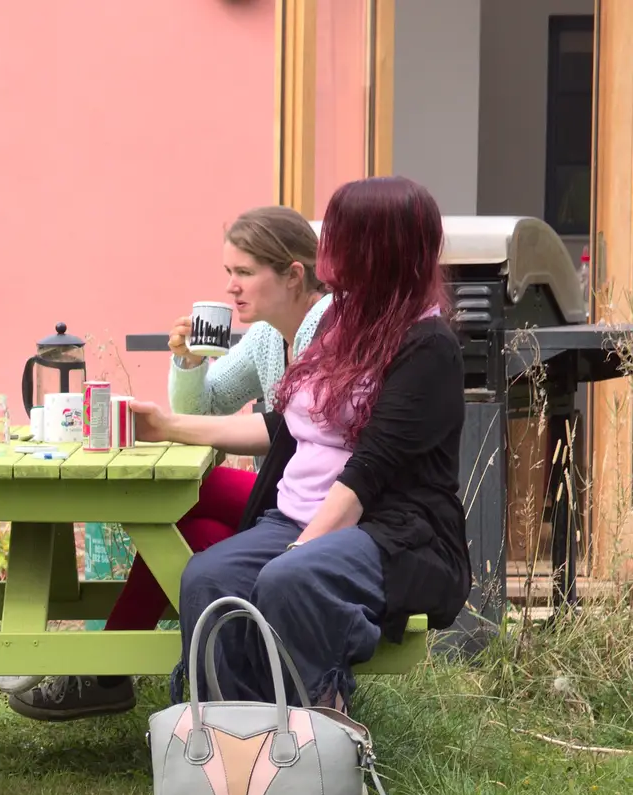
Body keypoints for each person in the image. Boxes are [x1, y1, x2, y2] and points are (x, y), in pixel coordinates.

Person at [131, 176, 469, 710]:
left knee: (290, 578)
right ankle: (230, 734)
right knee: (209, 575)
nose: (327, 254)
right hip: (299, 515)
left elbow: (367, 473)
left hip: (391, 533)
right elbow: (287, 426)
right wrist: (167, 426)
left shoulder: (429, 347)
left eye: (340, 238)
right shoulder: (339, 320)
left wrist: (297, 548)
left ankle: (316, 733)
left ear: (380, 250)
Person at [8, 206, 332, 721]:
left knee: (182, 497)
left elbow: (284, 431)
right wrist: (188, 360)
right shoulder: (273, 334)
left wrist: (165, 428)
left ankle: (109, 673)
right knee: (196, 531)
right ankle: (133, 677)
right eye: (228, 273)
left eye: (244, 273)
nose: (231, 288)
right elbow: (206, 403)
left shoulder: (326, 329)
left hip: (324, 508)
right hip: (283, 498)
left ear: (294, 274)